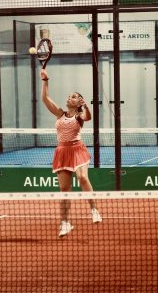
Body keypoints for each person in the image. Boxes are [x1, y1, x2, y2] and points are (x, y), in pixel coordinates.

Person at [40, 69, 102, 238]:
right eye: (69, 96)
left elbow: (88, 117)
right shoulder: (60, 114)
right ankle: (65, 223)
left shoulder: (79, 116)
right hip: (62, 151)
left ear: (78, 102)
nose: (69, 98)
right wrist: (46, 80)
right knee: (64, 189)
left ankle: (94, 210)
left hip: (77, 150)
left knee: (82, 177)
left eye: (74, 96)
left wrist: (85, 105)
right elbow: (45, 99)